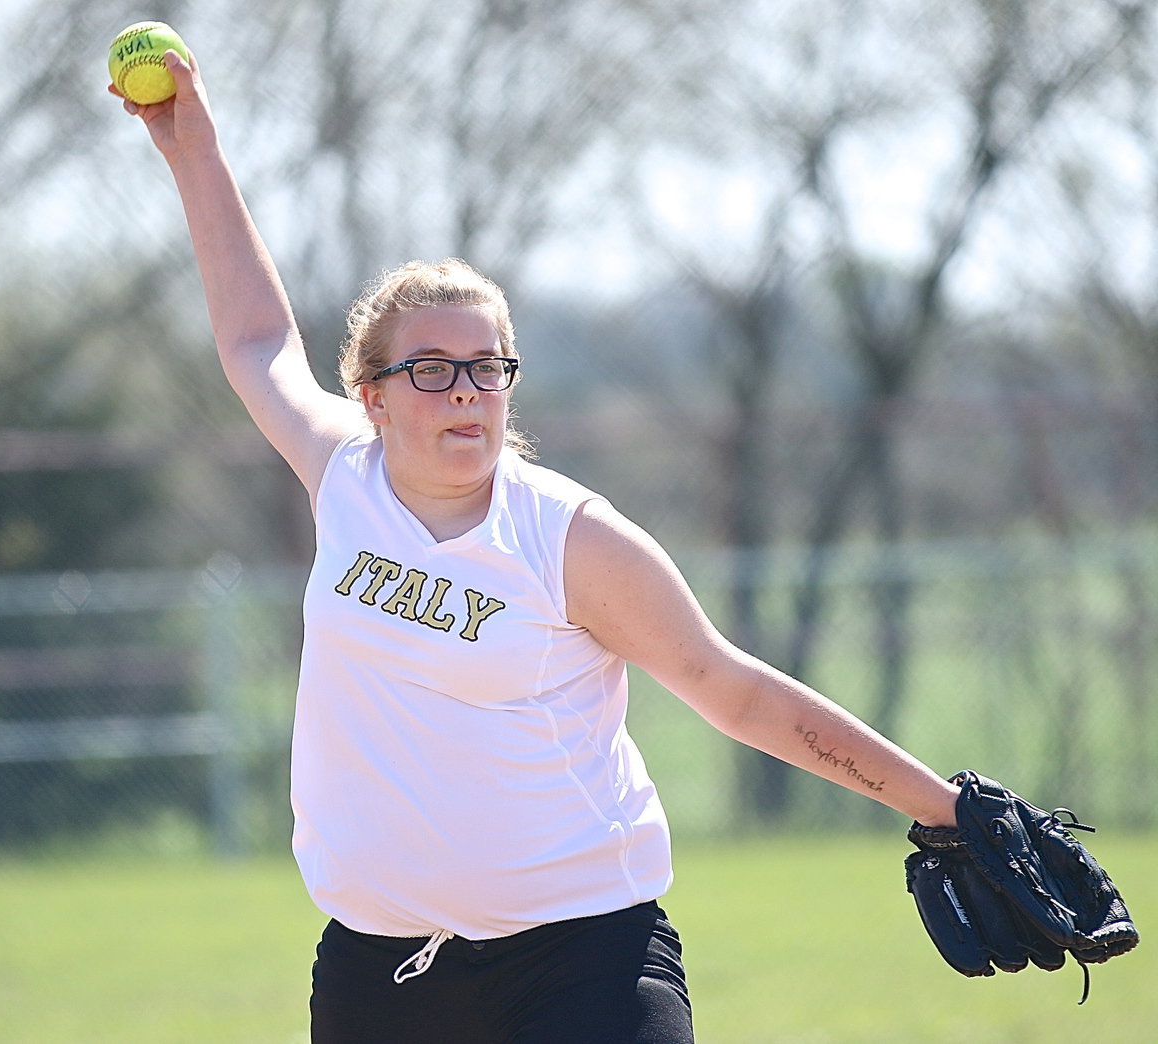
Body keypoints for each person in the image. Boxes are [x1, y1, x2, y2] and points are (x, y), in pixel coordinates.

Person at [113, 50, 960, 1044]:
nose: (466, 388)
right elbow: (257, 340)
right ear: (373, 396)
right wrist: (194, 148)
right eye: (431, 369)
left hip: (582, 964)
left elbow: (733, 690)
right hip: (377, 971)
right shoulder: (343, 474)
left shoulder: (568, 537)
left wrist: (945, 809)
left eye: (486, 366)